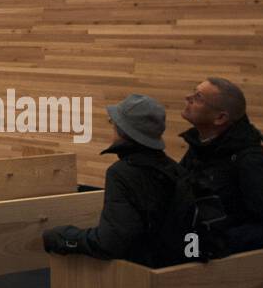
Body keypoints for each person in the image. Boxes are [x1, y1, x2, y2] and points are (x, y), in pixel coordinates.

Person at [41, 94, 179, 266]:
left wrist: (64, 239)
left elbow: (110, 244)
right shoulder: (174, 168)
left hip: (136, 273)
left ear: (122, 130)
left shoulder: (121, 173)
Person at [179, 77, 263, 253]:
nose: (187, 98)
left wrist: (213, 241)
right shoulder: (201, 146)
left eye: (198, 97)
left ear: (220, 118)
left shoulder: (249, 161)